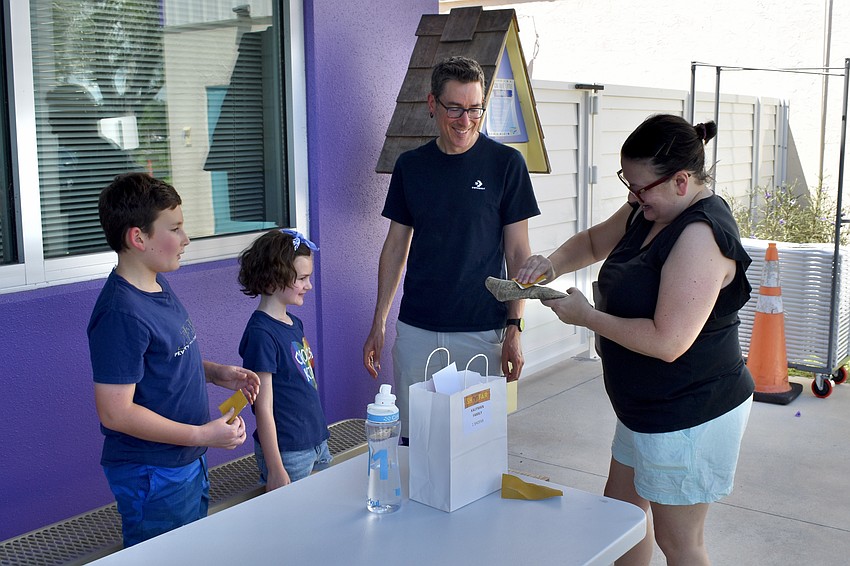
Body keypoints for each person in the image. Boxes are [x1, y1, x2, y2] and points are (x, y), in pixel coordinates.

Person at [515, 114, 754, 566]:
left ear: (681, 181)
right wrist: (551, 264)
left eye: (641, 187)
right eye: (628, 182)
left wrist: (588, 318)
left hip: (689, 411)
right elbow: (590, 242)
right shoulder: (649, 210)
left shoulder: (701, 237)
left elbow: (669, 341)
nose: (632, 196)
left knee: (679, 542)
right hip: (644, 408)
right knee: (619, 517)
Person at [363, 56, 540, 440]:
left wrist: (514, 327)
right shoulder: (411, 166)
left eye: (475, 108)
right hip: (417, 330)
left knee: (477, 444)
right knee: (415, 438)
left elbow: (519, 255)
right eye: (455, 108)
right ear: (432, 105)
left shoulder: (506, 165)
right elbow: (395, 247)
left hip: (482, 330)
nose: (465, 120)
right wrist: (379, 322)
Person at [87, 172, 260, 547]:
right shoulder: (121, 313)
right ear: (138, 237)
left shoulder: (156, 282)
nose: (185, 239)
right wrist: (203, 434)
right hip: (154, 472)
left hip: (184, 461)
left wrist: (216, 373)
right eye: (175, 228)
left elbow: (165, 361)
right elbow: (115, 412)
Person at [238, 229, 331, 490]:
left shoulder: (294, 323)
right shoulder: (261, 334)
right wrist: (276, 468)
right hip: (289, 453)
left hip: (316, 443)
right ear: (271, 281)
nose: (309, 285)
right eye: (302, 278)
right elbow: (263, 408)